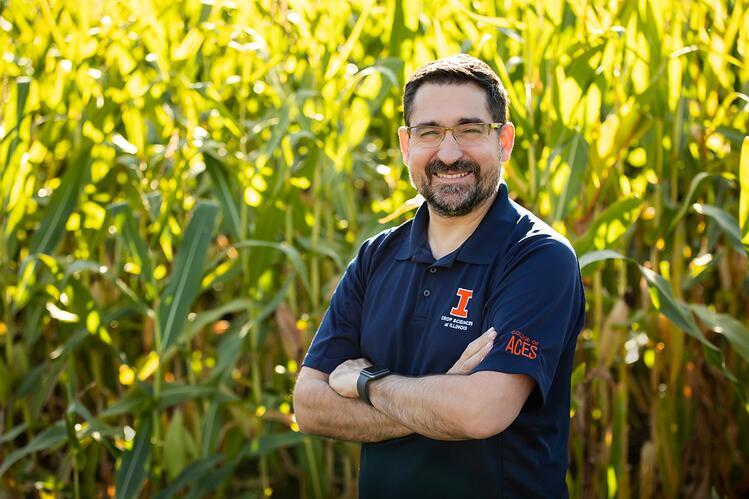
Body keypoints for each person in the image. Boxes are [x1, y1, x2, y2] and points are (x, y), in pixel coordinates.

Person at [293, 54, 586, 499]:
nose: (449, 154)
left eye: (470, 130)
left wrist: (365, 382)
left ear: (503, 140)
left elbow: (481, 413)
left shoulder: (538, 258)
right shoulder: (377, 257)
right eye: (429, 132)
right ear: (406, 144)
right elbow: (310, 406)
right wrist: (439, 398)